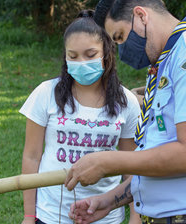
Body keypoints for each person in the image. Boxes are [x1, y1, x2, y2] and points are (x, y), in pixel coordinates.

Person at [64, 1, 186, 224]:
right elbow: (160, 154)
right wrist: (110, 200)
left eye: (120, 36)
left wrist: (108, 161)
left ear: (141, 16)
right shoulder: (168, 60)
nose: (122, 49)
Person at [20, 10, 141, 224]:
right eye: (73, 56)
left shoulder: (127, 102)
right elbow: (31, 157)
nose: (81, 63)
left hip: (107, 217)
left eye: (90, 54)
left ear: (106, 52)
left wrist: (135, 216)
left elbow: (132, 164)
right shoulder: (45, 94)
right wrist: (29, 216)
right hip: (51, 216)